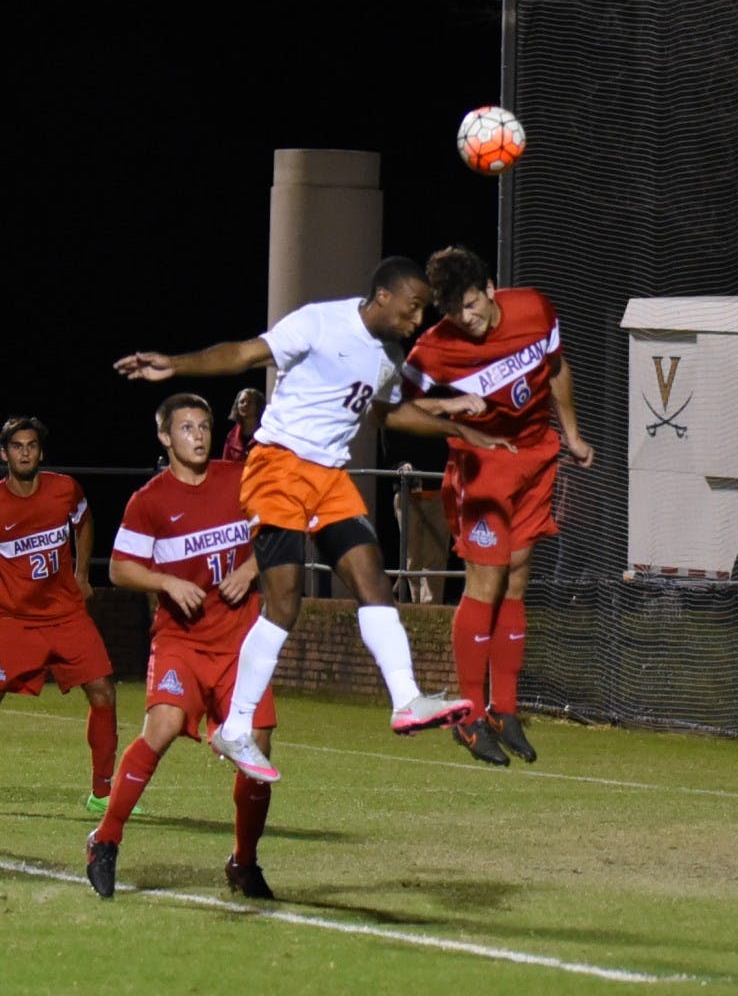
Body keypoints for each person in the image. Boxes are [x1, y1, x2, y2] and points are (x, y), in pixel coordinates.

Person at [114, 255, 516, 782]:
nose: (418, 320)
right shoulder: (320, 321)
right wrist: (178, 363)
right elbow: (242, 353)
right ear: (383, 297)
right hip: (278, 465)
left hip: (328, 476)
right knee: (284, 601)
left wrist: (459, 428)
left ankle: (406, 699)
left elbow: (386, 411)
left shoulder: (389, 354)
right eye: (413, 308)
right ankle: (235, 725)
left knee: (374, 580)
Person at [402, 245, 595, 766]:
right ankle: (466, 717)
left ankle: (503, 710)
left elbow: (556, 371)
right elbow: (396, 408)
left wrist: (572, 435)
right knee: (484, 584)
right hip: (483, 463)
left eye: (470, 304)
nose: (466, 319)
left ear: (489, 289)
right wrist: (450, 411)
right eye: (454, 312)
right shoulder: (434, 348)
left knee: (516, 578)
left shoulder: (534, 309)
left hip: (535, 456)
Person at [85, 393, 277, 900]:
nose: (197, 435)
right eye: (186, 427)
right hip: (182, 642)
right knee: (164, 725)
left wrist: (250, 568)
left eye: (204, 426)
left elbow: (278, 534)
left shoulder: (237, 480)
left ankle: (244, 861)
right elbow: (119, 569)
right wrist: (167, 584)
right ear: (165, 437)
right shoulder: (149, 500)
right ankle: (104, 840)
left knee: (257, 753)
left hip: (242, 644)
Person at [0, 415, 119, 812]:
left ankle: (103, 793)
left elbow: (84, 523)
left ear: (41, 452)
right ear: (5, 454)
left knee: (103, 691)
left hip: (67, 614)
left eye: (31, 445)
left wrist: (83, 571)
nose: (25, 452)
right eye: (17, 446)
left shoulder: (65, 488)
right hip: (14, 619)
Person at [391, 462, 450, 604]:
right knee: (411, 556)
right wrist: (401, 465)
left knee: (436, 556)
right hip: (407, 493)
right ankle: (414, 607)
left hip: (440, 491)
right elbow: (389, 454)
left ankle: (431, 610)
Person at [222, 387, 266, 461]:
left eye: (250, 402)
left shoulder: (266, 434)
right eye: (242, 402)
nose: (245, 405)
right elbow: (225, 465)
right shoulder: (231, 436)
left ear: (258, 406)